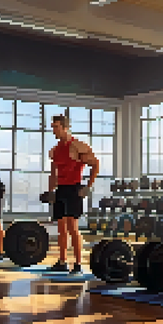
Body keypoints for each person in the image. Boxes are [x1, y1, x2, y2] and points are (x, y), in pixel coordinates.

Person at [46, 115, 100, 275]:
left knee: (72, 227)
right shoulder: (55, 150)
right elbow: (53, 173)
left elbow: (95, 164)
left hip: (73, 189)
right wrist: (51, 192)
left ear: (65, 127)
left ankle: (77, 264)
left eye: (56, 127)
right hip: (61, 190)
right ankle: (62, 261)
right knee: (61, 228)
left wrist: (88, 186)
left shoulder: (77, 146)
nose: (54, 130)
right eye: (52, 127)